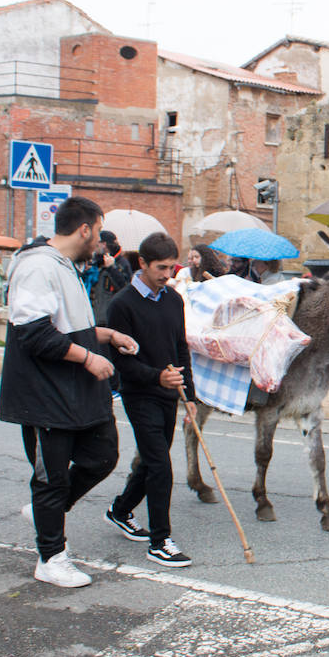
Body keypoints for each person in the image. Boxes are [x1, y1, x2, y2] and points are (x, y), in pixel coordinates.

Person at [0, 196, 139, 588]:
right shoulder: (37, 266)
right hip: (45, 395)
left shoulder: (64, 266)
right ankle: (51, 557)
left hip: (76, 392)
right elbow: (33, 333)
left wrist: (106, 335)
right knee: (50, 479)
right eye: (98, 232)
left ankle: (48, 510)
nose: (99, 242)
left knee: (102, 455)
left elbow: (65, 325)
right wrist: (88, 358)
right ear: (86, 229)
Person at [104, 232, 197, 566]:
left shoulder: (174, 300)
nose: (167, 274)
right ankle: (160, 540)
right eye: (160, 267)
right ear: (142, 263)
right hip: (139, 393)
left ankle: (120, 509)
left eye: (172, 267)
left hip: (168, 393)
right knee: (160, 464)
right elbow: (122, 364)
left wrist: (191, 396)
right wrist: (156, 376)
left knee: (150, 461)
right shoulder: (122, 305)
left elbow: (181, 348)